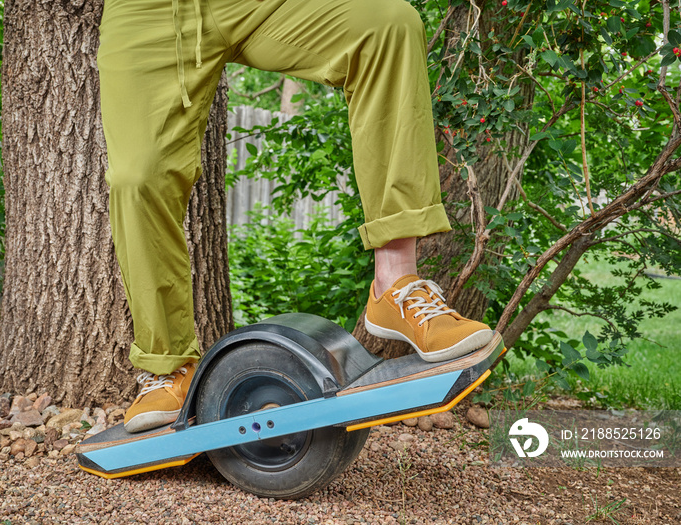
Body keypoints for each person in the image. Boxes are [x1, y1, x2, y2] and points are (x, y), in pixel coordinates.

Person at [97, 0, 493, 433]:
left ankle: (394, 287)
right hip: (148, 11)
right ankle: (166, 363)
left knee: (388, 26)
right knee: (138, 178)